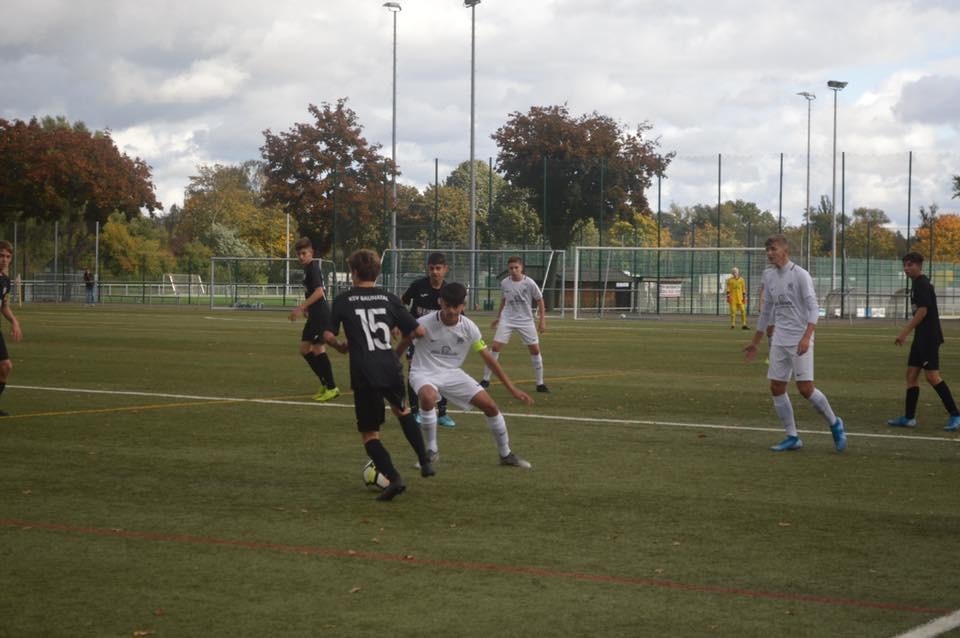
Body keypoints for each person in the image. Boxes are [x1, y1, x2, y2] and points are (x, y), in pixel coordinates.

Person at [324, 249, 435, 501]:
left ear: (353, 272)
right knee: (403, 411)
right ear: (376, 272)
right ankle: (424, 460)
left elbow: (328, 334)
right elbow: (418, 331)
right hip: (389, 365)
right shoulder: (389, 298)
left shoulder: (343, 300)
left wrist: (339, 346)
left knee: (369, 433)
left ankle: (394, 478)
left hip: (364, 369)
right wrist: (398, 345)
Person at [397, 282, 534, 469]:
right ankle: (431, 451)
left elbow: (488, 358)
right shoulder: (423, 323)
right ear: (440, 302)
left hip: (452, 374)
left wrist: (512, 388)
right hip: (423, 372)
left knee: (490, 406)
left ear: (463, 305)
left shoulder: (470, 328)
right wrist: (391, 364)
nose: (452, 311)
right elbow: (405, 342)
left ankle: (506, 454)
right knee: (428, 397)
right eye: (447, 306)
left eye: (456, 307)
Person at [744, 234, 846, 452]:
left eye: (773, 249)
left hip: (800, 337)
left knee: (805, 389)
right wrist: (756, 342)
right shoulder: (768, 275)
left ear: (785, 250)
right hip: (779, 338)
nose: (769, 253)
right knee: (776, 386)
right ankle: (792, 436)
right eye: (767, 250)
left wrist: (807, 337)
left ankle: (834, 422)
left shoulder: (800, 275)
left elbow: (813, 309)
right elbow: (766, 311)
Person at [888, 251, 960, 431]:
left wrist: (904, 332)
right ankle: (909, 418)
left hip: (929, 337)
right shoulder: (916, 283)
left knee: (932, 377)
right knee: (911, 376)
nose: (906, 268)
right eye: (905, 265)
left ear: (919, 266)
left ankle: (956, 414)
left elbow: (922, 311)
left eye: (910, 265)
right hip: (921, 337)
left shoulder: (922, 283)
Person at [401, 252, 455, 428]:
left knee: (443, 372)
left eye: (438, 268)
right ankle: (415, 411)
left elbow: (458, 315)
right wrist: (398, 322)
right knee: (413, 371)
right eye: (431, 268)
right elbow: (402, 302)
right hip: (416, 337)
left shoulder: (449, 291)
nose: (435, 272)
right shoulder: (418, 286)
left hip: (440, 339)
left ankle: (442, 413)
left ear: (445, 269)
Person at [480, 255, 549, 393]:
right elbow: (503, 301)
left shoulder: (529, 283)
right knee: (495, 347)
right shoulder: (505, 283)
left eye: (516, 267)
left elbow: (540, 300)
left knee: (535, 350)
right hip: (508, 319)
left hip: (526, 320)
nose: (513, 270)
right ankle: (485, 380)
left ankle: (540, 383)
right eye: (511, 268)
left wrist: (542, 321)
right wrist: (498, 317)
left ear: (521, 268)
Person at [288, 237, 339, 402]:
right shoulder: (308, 269)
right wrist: (308, 308)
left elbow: (319, 292)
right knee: (304, 349)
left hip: (321, 315)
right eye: (299, 254)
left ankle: (332, 387)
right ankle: (325, 383)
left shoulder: (314, 268)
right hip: (315, 315)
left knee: (318, 349)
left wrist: (301, 307)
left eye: (304, 253)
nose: (301, 257)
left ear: (311, 253)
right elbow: (312, 293)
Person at [0, 240, 24, 417]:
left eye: (8, 256)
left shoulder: (5, 281)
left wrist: (15, 322)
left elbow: (4, 306)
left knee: (6, 367)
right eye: (1, 255)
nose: (4, 260)